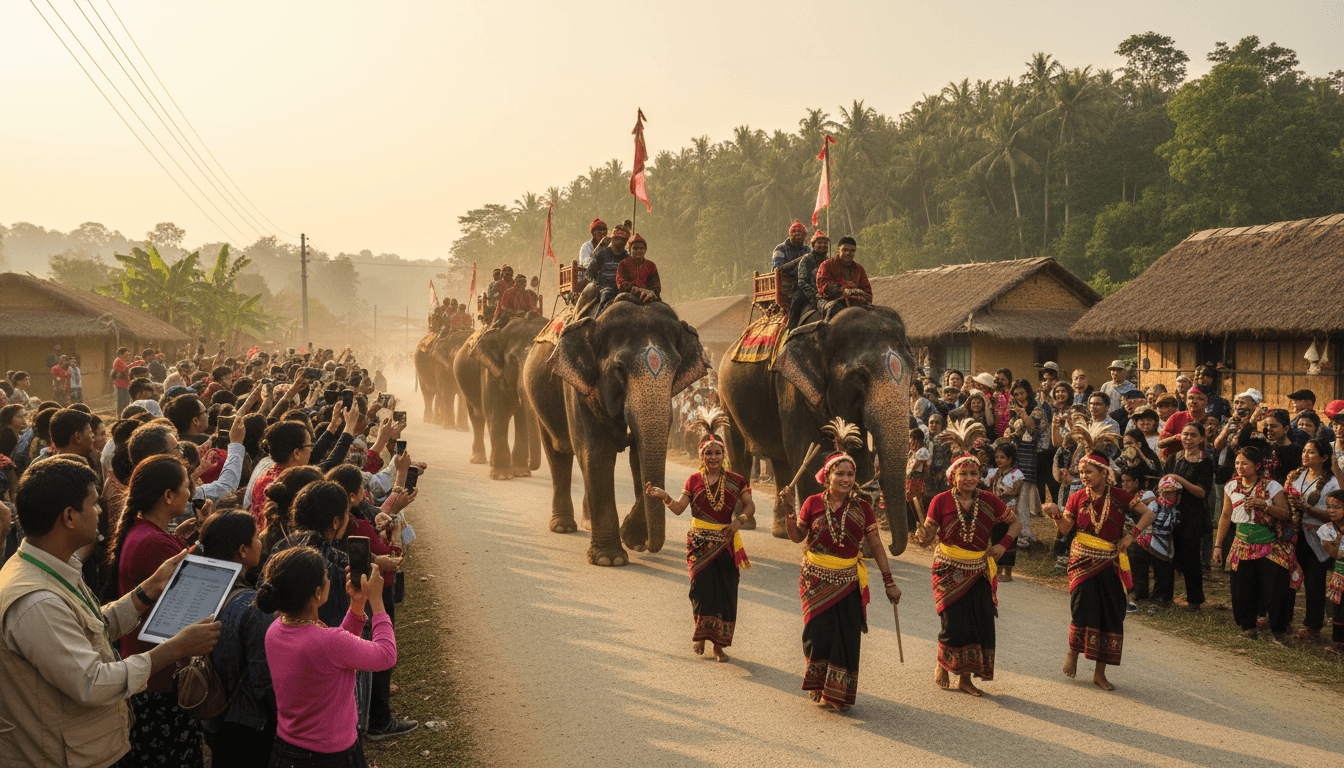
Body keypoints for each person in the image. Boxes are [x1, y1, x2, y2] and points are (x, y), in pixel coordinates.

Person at [0, 458, 220, 768]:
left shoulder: (52, 569)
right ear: (69, 517)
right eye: (94, 504)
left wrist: (148, 589)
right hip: (61, 757)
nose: (101, 511)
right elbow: (92, 683)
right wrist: (176, 648)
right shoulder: (37, 601)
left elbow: (92, 627)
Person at [782, 418, 900, 711]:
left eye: (850, 474)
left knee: (846, 637)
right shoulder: (811, 503)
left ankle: (838, 693)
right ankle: (818, 682)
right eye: (840, 474)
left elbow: (875, 546)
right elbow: (797, 537)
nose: (846, 479)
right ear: (827, 475)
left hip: (848, 582)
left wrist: (889, 581)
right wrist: (788, 510)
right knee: (816, 635)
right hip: (814, 581)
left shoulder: (863, 508)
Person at [105, 454, 206, 764]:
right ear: (168, 495)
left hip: (151, 671)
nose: (191, 492)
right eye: (187, 486)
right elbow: (194, 599)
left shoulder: (147, 532)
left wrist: (182, 538)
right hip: (159, 678)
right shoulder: (152, 544)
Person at [258, 545, 397, 767]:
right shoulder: (327, 641)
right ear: (317, 592)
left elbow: (335, 655)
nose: (330, 579)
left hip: (288, 750)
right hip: (332, 756)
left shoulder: (275, 630)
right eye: (326, 576)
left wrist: (357, 603)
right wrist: (377, 602)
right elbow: (386, 655)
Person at [913, 419, 1017, 695]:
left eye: (974, 473)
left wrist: (1002, 545)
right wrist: (922, 535)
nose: (969, 478)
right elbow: (929, 533)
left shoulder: (989, 500)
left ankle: (965, 679)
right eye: (964, 474)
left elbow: (1015, 524)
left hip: (979, 569)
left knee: (979, 622)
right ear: (953, 477)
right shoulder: (941, 501)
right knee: (953, 623)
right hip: (947, 568)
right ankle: (943, 662)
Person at [644, 408, 754, 662]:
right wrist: (664, 496)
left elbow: (750, 506)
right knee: (699, 591)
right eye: (708, 453)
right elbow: (680, 508)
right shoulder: (694, 480)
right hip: (699, 545)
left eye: (718, 453)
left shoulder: (736, 480)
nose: (713, 457)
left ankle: (719, 645)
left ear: (724, 455)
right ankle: (701, 634)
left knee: (725, 593)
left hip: (725, 544)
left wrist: (739, 521)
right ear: (701, 456)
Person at [1042, 450, 1157, 691]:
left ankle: (1099, 673)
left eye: (1089, 472)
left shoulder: (1119, 496)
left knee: (1112, 614)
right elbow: (1065, 529)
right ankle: (1073, 652)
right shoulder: (1076, 497)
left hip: (1111, 561)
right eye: (1081, 472)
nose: (1084, 476)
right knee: (1081, 608)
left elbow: (1149, 514)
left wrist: (1130, 537)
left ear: (1104, 473)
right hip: (1082, 561)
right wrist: (1055, 514)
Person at [198, 511, 277, 765]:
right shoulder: (252, 607)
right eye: (256, 537)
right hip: (249, 724)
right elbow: (264, 681)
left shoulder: (200, 589)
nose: (260, 542)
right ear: (242, 551)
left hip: (212, 714)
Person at [1214, 444, 1293, 643]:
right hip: (1241, 544)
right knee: (1242, 589)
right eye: (1237, 463)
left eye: (1245, 463)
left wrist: (1264, 505)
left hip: (1269, 544)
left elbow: (1285, 514)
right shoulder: (1231, 486)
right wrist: (1218, 545)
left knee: (1274, 590)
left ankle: (1279, 633)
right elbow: (1225, 515)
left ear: (1257, 465)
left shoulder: (1272, 486)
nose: (1240, 467)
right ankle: (1248, 628)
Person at [1286, 439, 1340, 640]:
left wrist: (1307, 509)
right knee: (1288, 579)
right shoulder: (1296, 476)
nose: (1305, 455)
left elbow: (1334, 515)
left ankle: (1313, 626)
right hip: (1295, 535)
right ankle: (1285, 621)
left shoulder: (1332, 483)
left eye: (1311, 452)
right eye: (1304, 451)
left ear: (1324, 458)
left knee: (1314, 583)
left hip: (1319, 539)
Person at [1158, 422, 1213, 612]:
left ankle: (1194, 601)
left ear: (1201, 439)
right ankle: (1165, 597)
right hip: (1171, 513)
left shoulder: (1205, 462)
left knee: (1191, 559)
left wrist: (1179, 480)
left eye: (1193, 435)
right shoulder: (1175, 458)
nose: (1188, 438)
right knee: (1167, 557)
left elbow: (1202, 492)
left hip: (1193, 516)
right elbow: (1164, 481)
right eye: (1185, 434)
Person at [986, 442, 1024, 582]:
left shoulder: (1016, 474)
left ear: (1010, 459)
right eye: (997, 457)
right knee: (996, 539)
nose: (999, 460)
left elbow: (1015, 491)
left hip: (1010, 510)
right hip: (996, 512)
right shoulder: (993, 473)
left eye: (1002, 457)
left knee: (1009, 541)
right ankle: (997, 570)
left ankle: (1008, 573)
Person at [815, 237, 872, 320]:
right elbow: (824, 284)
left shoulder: (859, 269)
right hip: (829, 300)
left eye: (852, 251)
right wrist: (843, 290)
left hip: (853, 301)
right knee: (834, 309)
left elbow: (867, 290)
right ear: (838, 250)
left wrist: (864, 297)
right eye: (845, 250)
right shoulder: (827, 265)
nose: (849, 253)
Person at [1317, 490, 1344, 654]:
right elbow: (1334, 555)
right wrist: (1338, 540)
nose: (1331, 510)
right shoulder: (1326, 530)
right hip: (1340, 575)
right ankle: (1340, 644)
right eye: (1329, 506)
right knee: (1339, 609)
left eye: (1337, 507)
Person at [585, 222, 631, 313]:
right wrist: (598, 284)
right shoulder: (602, 254)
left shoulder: (627, 257)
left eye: (623, 240)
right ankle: (598, 320)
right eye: (618, 239)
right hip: (605, 286)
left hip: (622, 288)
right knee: (606, 296)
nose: (621, 242)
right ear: (612, 239)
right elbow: (590, 272)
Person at [789, 230, 828, 330]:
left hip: (825, 292)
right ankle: (791, 332)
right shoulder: (806, 260)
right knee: (796, 304)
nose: (822, 245)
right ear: (813, 245)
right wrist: (814, 294)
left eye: (825, 243)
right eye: (819, 242)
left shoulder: (829, 261)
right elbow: (802, 281)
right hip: (806, 292)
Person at [615, 234, 662, 303]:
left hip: (648, 295)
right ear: (630, 250)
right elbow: (622, 284)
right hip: (628, 295)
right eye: (635, 248)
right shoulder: (623, 264)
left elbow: (656, 284)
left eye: (641, 248)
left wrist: (651, 292)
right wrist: (638, 290)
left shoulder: (651, 265)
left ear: (645, 250)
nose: (638, 251)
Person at [906, 428, 930, 527]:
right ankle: (919, 523)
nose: (911, 441)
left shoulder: (922, 451)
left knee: (918, 503)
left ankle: (923, 524)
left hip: (916, 480)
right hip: (910, 479)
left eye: (913, 439)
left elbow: (917, 465)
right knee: (912, 502)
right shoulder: (912, 452)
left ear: (918, 440)